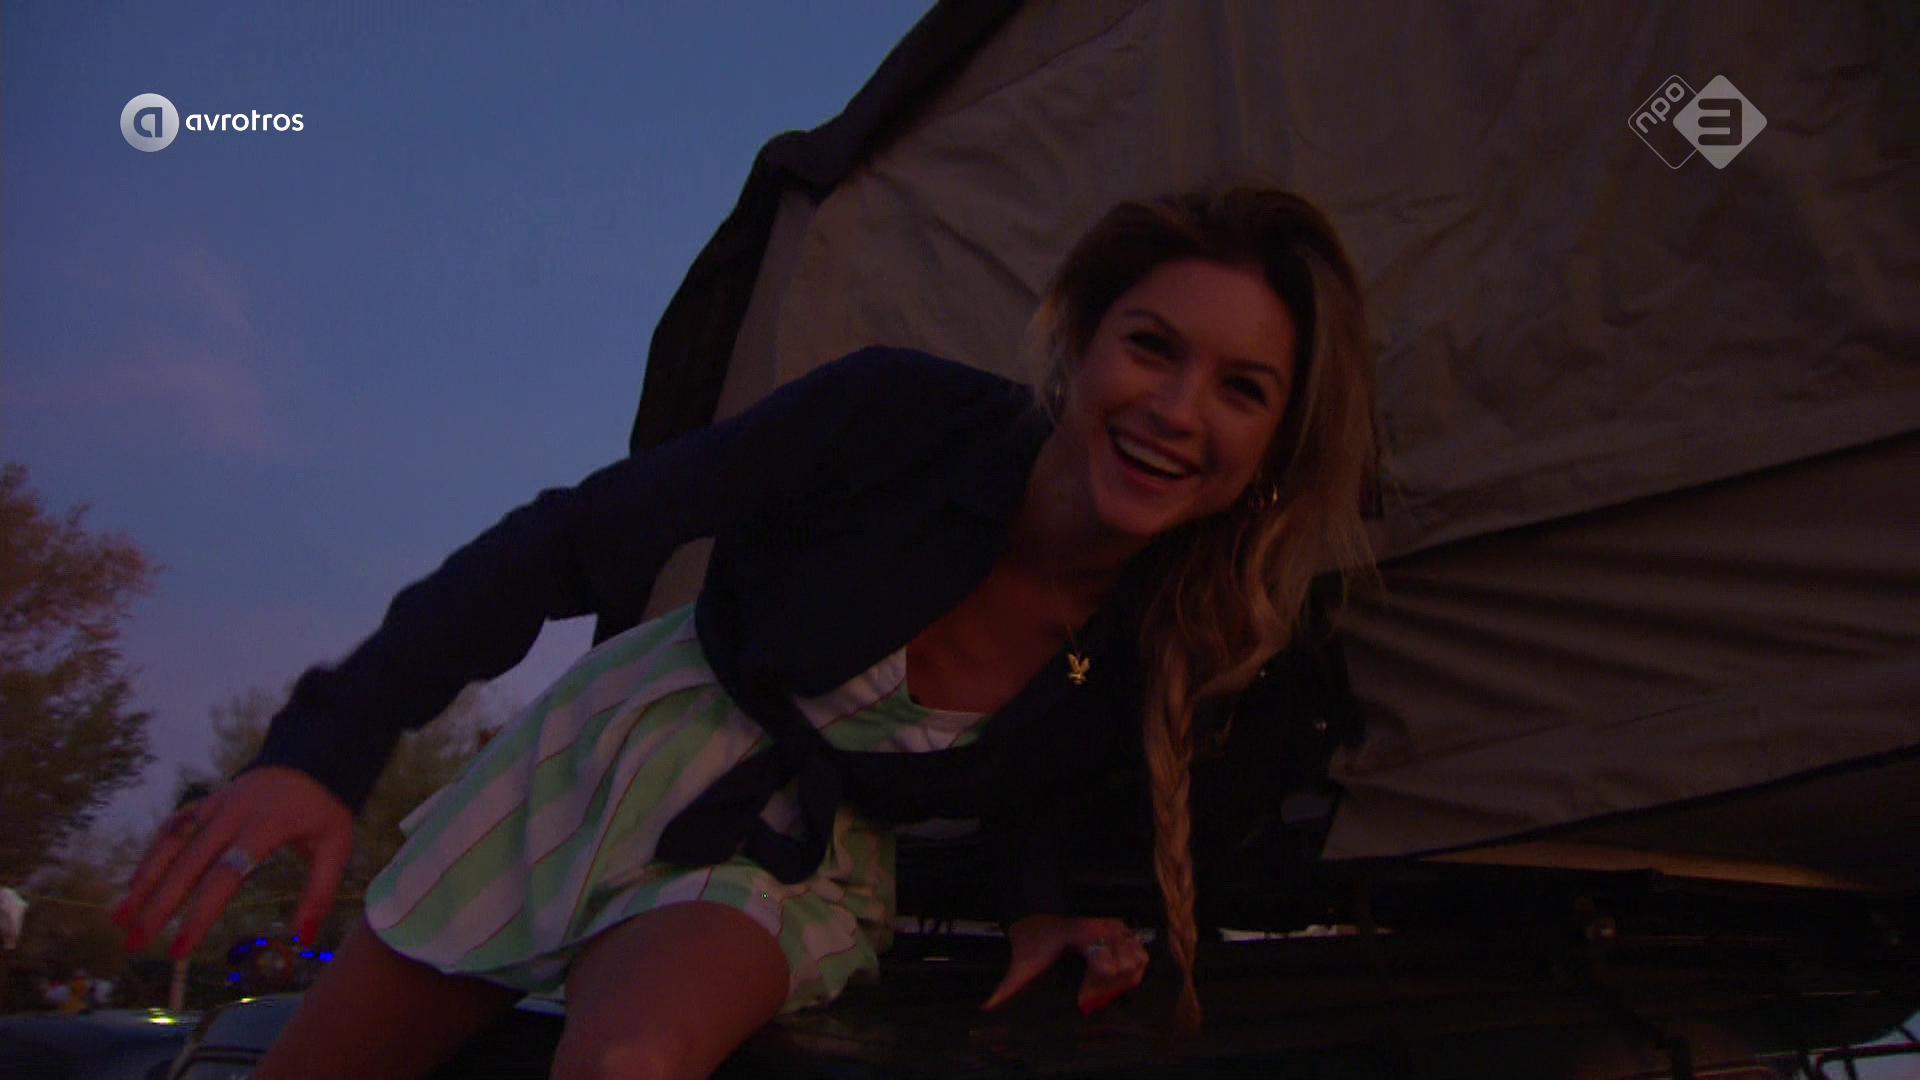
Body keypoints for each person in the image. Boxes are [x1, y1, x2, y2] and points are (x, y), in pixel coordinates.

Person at [112, 184, 1377, 1079]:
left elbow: (1027, 785)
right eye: (1151, 347)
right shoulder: (896, 418)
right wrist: (326, 748)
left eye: (1241, 389)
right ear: (1082, 345)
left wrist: (1035, 910)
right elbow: (573, 540)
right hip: (608, 759)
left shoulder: (1160, 642)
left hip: (786, 860)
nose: (1177, 410)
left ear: (1273, 449)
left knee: (631, 1062)